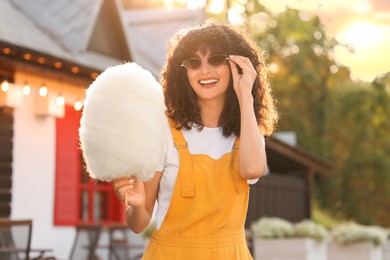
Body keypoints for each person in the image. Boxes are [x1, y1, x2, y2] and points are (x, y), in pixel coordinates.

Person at [112, 21, 278, 259]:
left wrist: (244, 94)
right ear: (183, 72)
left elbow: (253, 169)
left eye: (216, 60)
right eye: (194, 62)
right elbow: (138, 224)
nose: (204, 70)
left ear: (236, 64)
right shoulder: (163, 131)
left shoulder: (247, 131)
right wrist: (137, 206)